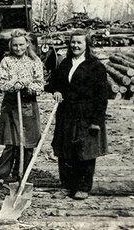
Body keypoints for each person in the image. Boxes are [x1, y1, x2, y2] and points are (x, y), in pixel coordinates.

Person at [48, 31, 108, 200]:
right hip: (66, 112)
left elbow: (102, 96)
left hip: (86, 114)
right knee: (65, 149)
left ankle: (83, 187)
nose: (75, 45)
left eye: (79, 43)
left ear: (87, 45)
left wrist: (97, 120)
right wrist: (57, 91)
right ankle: (66, 186)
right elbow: (54, 83)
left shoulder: (95, 66)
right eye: (73, 42)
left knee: (85, 151)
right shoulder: (65, 63)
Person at [0, 30, 44, 190]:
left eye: (21, 44)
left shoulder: (35, 61)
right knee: (11, 143)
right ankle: (1, 176)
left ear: (27, 44)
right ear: (10, 45)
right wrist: (15, 84)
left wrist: (27, 86)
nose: (18, 48)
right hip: (11, 106)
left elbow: (40, 85)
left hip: (28, 106)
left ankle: (22, 175)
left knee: (27, 144)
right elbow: (1, 83)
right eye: (15, 45)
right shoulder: (6, 61)